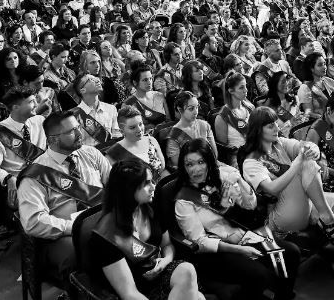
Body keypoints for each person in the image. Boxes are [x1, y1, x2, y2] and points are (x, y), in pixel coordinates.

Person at [174, 139, 300, 300]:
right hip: (216, 252)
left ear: (210, 162)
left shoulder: (220, 178)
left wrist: (240, 180)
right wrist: (240, 250)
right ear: (183, 167)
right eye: (189, 164)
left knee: (291, 253)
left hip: (243, 236)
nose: (196, 169)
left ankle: (283, 295)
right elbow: (200, 241)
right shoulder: (184, 200)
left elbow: (250, 205)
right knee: (259, 274)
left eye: (201, 162)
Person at [240, 107, 334, 285]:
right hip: (281, 216)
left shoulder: (280, 144)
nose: (277, 128)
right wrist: (299, 162)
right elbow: (272, 189)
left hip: (304, 202)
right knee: (305, 163)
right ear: (258, 131)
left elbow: (304, 145)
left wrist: (314, 150)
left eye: (276, 123)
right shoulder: (251, 162)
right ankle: (326, 218)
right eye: (270, 126)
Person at [87, 160, 203, 300]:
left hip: (159, 276)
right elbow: (129, 293)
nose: (153, 187)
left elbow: (167, 245)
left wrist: (165, 261)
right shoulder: (106, 235)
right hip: (135, 291)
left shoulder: (151, 207)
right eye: (146, 183)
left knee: (187, 272)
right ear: (128, 189)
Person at [17, 111, 112, 280]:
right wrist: (75, 228)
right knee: (83, 254)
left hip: (101, 221)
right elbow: (33, 221)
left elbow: (114, 185)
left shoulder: (90, 153)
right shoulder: (35, 174)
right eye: (70, 132)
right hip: (63, 234)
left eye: (78, 127)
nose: (79, 134)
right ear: (52, 139)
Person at [0, 86, 47, 207]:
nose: (37, 104)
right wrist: (8, 178)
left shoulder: (40, 121)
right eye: (31, 102)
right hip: (20, 183)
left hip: (46, 177)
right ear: (16, 108)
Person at [107, 105, 167, 178]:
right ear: (122, 131)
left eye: (141, 124)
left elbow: (162, 168)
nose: (139, 129)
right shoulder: (113, 154)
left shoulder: (152, 140)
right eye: (132, 127)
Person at [166, 91, 216, 169]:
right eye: (191, 109)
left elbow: (214, 154)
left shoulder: (204, 125)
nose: (196, 112)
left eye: (197, 107)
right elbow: (178, 163)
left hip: (211, 165)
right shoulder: (174, 135)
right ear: (180, 110)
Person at [213, 72, 254, 167]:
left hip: (256, 150)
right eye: (241, 88)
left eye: (245, 86)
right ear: (231, 91)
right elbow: (224, 150)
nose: (246, 90)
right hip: (238, 157)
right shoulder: (222, 117)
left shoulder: (250, 108)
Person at [124, 63, 168, 132]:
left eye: (150, 78)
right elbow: (131, 129)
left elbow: (168, 120)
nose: (149, 82)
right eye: (145, 80)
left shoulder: (159, 95)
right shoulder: (129, 103)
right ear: (135, 82)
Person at [295, 52, 334, 117]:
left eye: (324, 64)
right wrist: (327, 119)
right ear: (311, 68)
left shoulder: (331, 81)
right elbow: (309, 113)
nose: (324, 67)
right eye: (320, 65)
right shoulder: (305, 88)